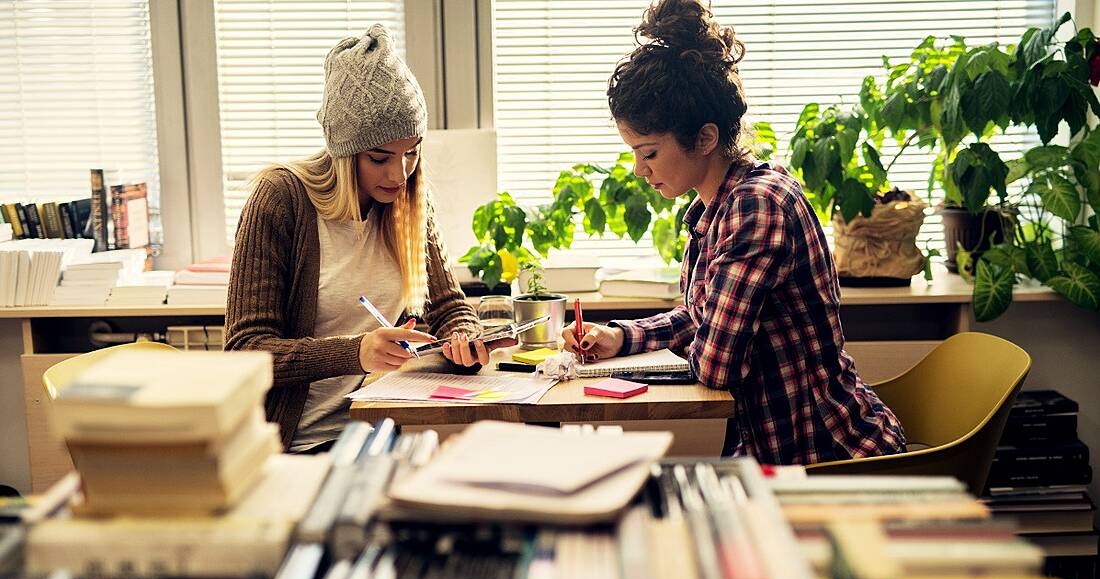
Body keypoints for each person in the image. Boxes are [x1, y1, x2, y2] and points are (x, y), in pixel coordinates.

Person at [563, 0, 906, 465]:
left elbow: (715, 364)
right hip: (773, 448)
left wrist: (697, 335)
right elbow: (708, 318)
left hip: (825, 456)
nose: (640, 170)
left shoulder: (755, 207)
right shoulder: (723, 204)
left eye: (648, 153)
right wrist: (622, 338)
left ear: (704, 139)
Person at [225, 24, 505, 453]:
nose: (399, 174)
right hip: (301, 444)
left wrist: (465, 337)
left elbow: (448, 306)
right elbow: (246, 350)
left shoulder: (410, 201)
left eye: (411, 152)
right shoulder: (281, 200)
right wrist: (355, 352)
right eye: (379, 158)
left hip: (387, 429)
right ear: (344, 150)